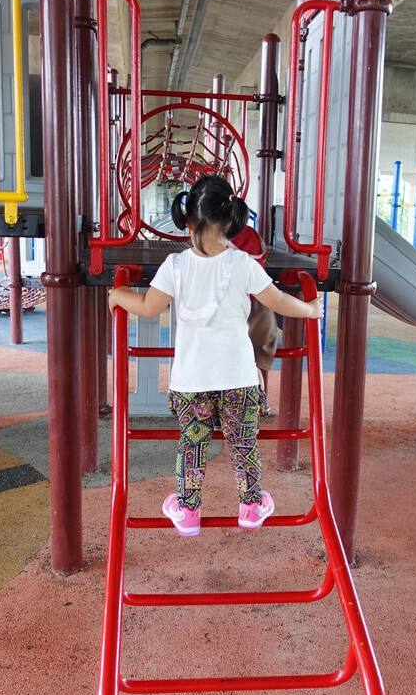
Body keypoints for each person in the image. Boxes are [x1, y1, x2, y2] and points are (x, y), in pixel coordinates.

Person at [108, 175, 323, 538]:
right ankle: (252, 506)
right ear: (231, 223)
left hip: (191, 381)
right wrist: (312, 310)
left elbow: (147, 307)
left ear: (187, 221)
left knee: (192, 442)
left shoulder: (175, 267)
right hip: (238, 378)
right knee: (244, 443)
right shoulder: (244, 265)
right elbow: (278, 302)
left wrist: (117, 297)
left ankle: (188, 510)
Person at [231, 224, 277, 416]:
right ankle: (259, 406)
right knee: (254, 364)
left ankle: (224, 411)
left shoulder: (212, 235)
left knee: (228, 359)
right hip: (260, 304)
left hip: (233, 307)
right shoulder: (251, 234)